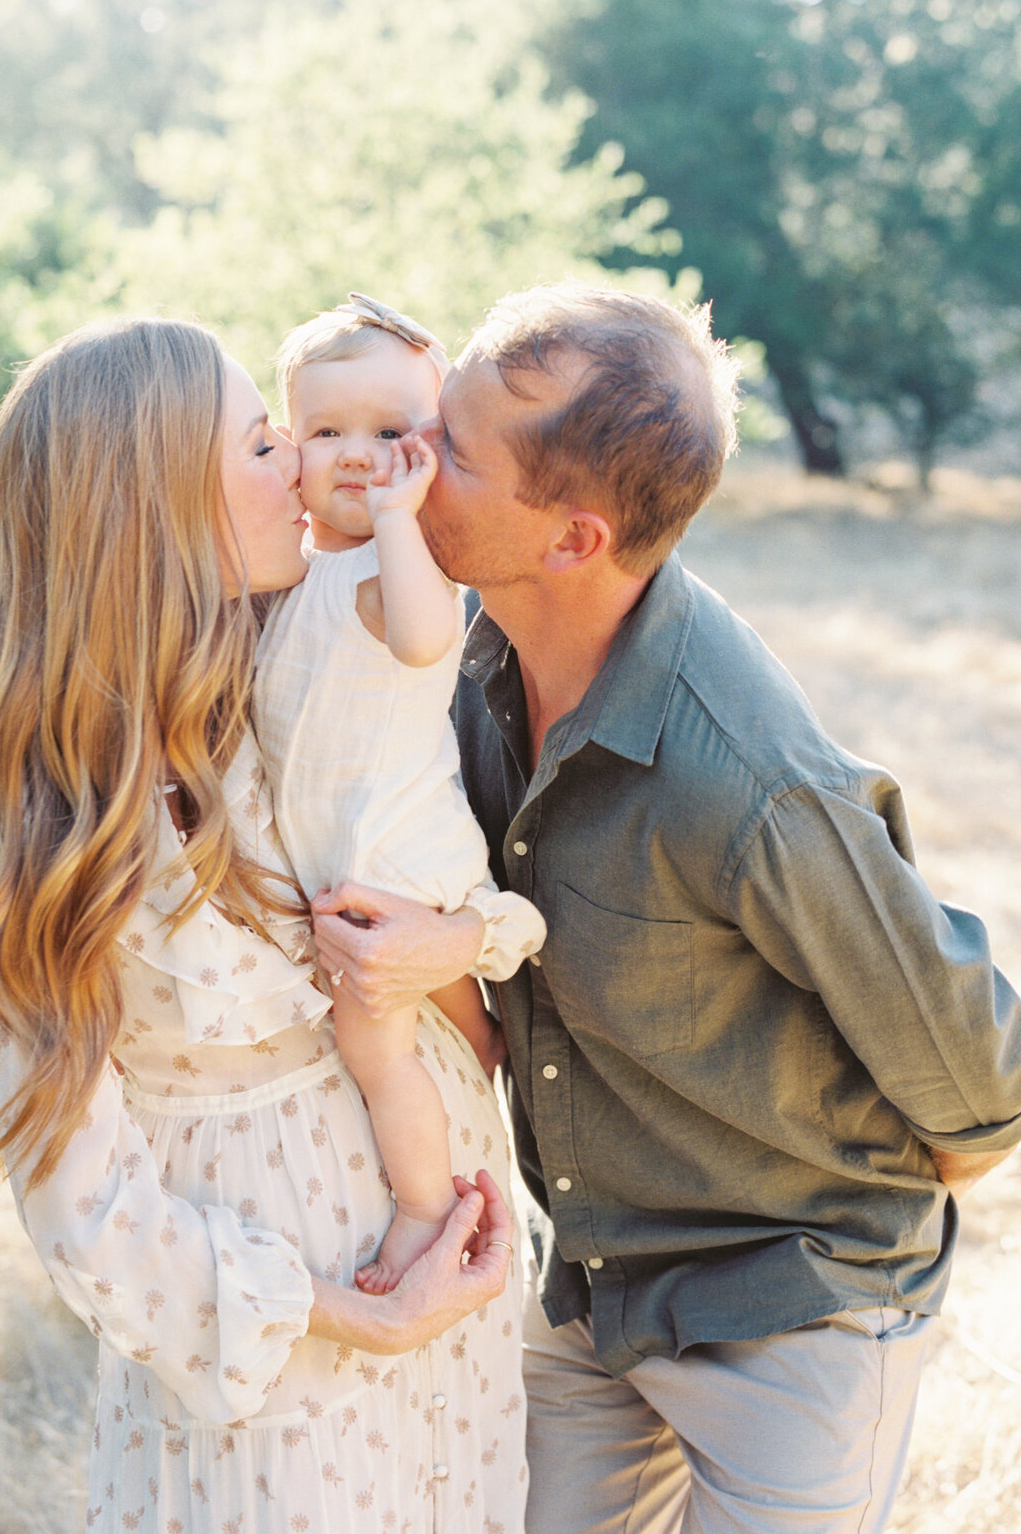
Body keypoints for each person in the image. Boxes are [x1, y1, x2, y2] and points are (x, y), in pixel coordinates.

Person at [310, 281, 1021, 1533]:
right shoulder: (464, 659)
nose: (409, 463)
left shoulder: (745, 782)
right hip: (598, 1278)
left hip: (795, 1305)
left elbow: (982, 1079)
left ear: (573, 538)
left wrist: (840, 1209)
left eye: (452, 451)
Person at [0, 316, 529, 1534]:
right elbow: (85, 1206)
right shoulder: (38, 822)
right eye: (264, 442)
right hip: (282, 1329)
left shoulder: (279, 670)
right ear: (152, 507)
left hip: (447, 1251)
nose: (303, 465)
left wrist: (451, 948)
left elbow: (428, 911)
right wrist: (360, 1312)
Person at [256, 293, 546, 1293]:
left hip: (394, 859)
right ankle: (482, 1040)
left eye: (389, 433)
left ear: (428, 450)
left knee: (371, 1043)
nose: (356, 453)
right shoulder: (295, 573)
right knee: (429, 1031)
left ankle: (426, 1204)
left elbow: (428, 640)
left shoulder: (399, 567)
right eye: (325, 429)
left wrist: (394, 519)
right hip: (337, 852)